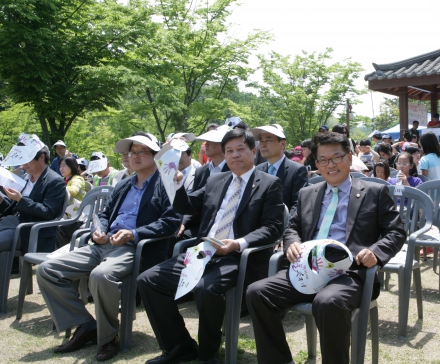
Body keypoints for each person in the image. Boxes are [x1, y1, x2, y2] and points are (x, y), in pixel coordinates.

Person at [246, 132, 406, 364]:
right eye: (323, 160)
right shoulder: (306, 194)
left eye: (336, 158)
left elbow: (396, 231)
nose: (330, 165)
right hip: (307, 269)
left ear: (349, 158)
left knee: (327, 301)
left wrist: (376, 252)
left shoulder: (374, 192)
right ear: (316, 163)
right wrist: (293, 243)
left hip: (351, 273)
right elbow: (292, 227)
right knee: (257, 292)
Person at [138, 129, 283, 364]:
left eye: (240, 149)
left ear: (254, 152)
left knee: (206, 289)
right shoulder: (216, 180)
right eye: (229, 151)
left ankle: (208, 354)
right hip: (202, 251)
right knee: (149, 280)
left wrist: (238, 243)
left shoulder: (269, 184)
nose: (234, 155)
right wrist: (175, 186)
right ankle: (180, 346)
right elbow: (187, 206)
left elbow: (273, 228)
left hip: (236, 256)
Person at [37, 132, 179, 361]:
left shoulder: (166, 184)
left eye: (142, 151)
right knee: (47, 270)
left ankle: (107, 338)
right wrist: (99, 229)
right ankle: (86, 326)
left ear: (155, 156)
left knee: (101, 276)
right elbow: (104, 214)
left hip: (132, 247)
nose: (135, 157)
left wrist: (133, 234)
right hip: (103, 244)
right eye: (132, 152)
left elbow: (171, 222)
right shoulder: (123, 184)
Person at [0, 137, 67, 256]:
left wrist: (20, 199)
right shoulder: (24, 178)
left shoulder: (55, 181)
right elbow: (13, 209)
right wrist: (1, 201)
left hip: (30, 231)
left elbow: (48, 212)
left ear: (41, 157)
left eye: (27, 160)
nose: (23, 165)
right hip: (13, 225)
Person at [173, 127, 231, 248]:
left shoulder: (232, 170)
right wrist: (183, 223)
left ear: (223, 145)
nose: (206, 145)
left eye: (211, 142)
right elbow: (194, 201)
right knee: (173, 234)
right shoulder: (201, 171)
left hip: (220, 227)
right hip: (198, 223)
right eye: (205, 142)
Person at [252, 125, 308, 217]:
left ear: (282, 144)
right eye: (261, 141)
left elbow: (298, 204)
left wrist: (287, 227)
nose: (263, 144)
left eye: (268, 140)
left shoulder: (297, 170)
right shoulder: (257, 170)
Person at [55, 156, 87, 248]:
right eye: (60, 166)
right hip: (65, 216)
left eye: (64, 166)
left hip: (78, 217)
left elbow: (73, 191)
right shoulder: (62, 180)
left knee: (55, 228)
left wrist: (56, 188)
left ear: (72, 166)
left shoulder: (77, 179)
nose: (61, 169)